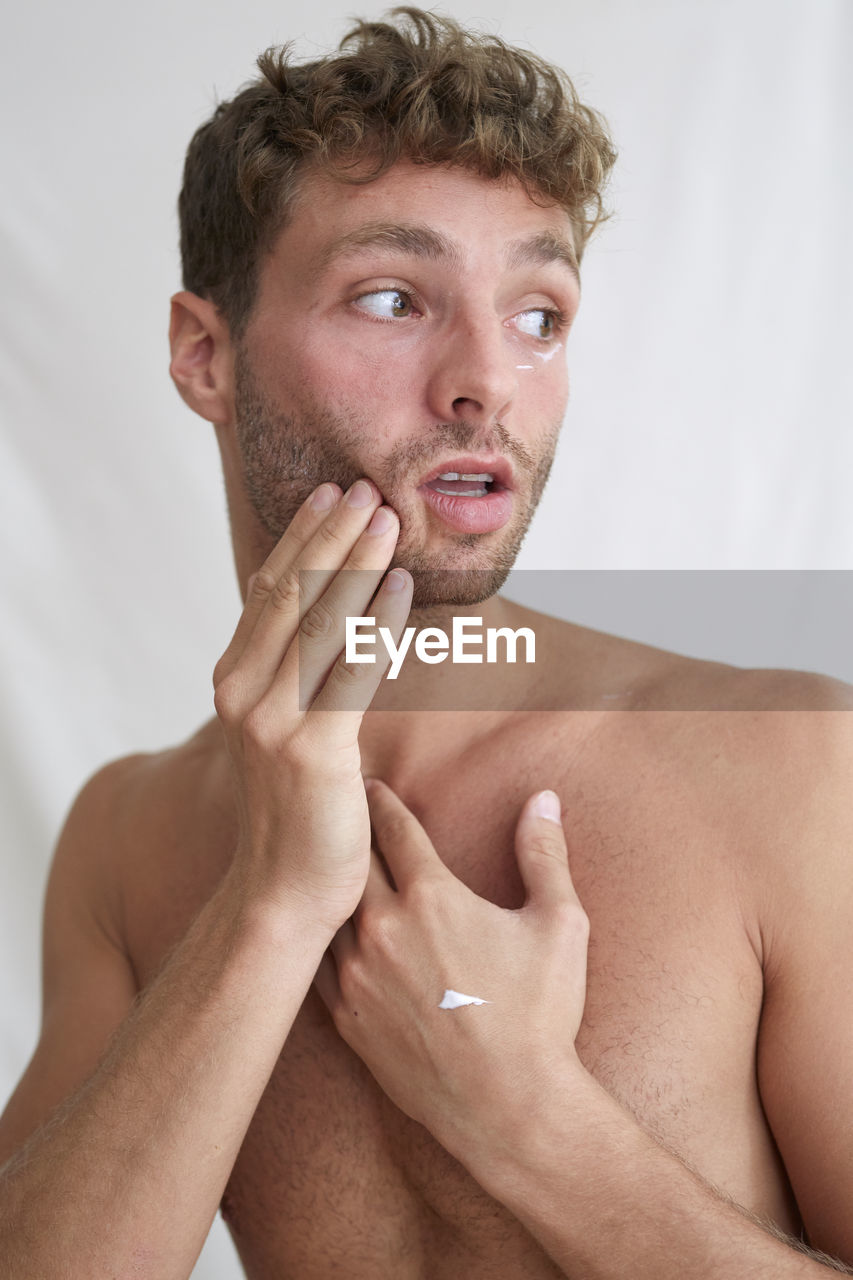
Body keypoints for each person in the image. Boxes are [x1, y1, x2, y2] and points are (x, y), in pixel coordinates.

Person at [1, 7, 852, 1277]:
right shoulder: (128, 840)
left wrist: (526, 1114)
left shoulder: (790, 768)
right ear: (203, 353)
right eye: (395, 298)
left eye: (538, 314)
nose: (485, 382)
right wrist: (270, 905)